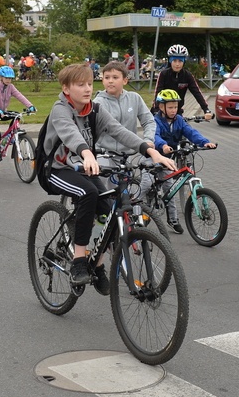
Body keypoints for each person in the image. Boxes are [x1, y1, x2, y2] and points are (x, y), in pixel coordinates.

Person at [41, 63, 175, 291]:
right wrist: (86, 153)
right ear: (66, 88)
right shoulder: (60, 109)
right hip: (55, 169)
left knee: (111, 211)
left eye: (89, 84)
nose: (87, 89)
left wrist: (150, 150)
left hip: (82, 167)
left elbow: (118, 131)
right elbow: (70, 133)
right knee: (89, 193)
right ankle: (79, 262)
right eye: (80, 84)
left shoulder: (94, 109)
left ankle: (99, 264)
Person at [152, 89, 217, 233]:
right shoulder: (155, 121)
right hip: (153, 157)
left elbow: (190, 132)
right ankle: (140, 214)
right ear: (161, 107)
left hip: (168, 159)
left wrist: (204, 142)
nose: (173, 110)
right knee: (145, 186)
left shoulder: (179, 120)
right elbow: (154, 136)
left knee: (170, 189)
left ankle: (173, 219)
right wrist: (163, 145)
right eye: (170, 107)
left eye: (175, 107)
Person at [93, 59, 157, 193]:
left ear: (125, 80)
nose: (110, 81)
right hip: (105, 155)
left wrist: (148, 140)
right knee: (104, 194)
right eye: (107, 77)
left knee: (125, 195)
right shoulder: (98, 102)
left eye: (115, 77)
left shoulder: (134, 98)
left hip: (128, 155)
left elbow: (148, 120)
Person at [0, 66, 35, 168]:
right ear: (1, 77)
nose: (9, 80)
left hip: (2, 112)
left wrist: (30, 105)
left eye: (10, 78)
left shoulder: (11, 87)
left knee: (17, 115)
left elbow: (19, 96)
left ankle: (9, 136)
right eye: (6, 78)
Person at [153, 44, 213, 119]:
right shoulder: (164, 74)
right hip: (162, 111)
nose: (177, 64)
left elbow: (197, 93)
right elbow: (157, 92)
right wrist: (156, 110)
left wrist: (206, 109)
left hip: (176, 111)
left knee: (186, 130)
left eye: (180, 61)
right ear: (170, 61)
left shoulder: (187, 75)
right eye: (174, 61)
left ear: (184, 62)